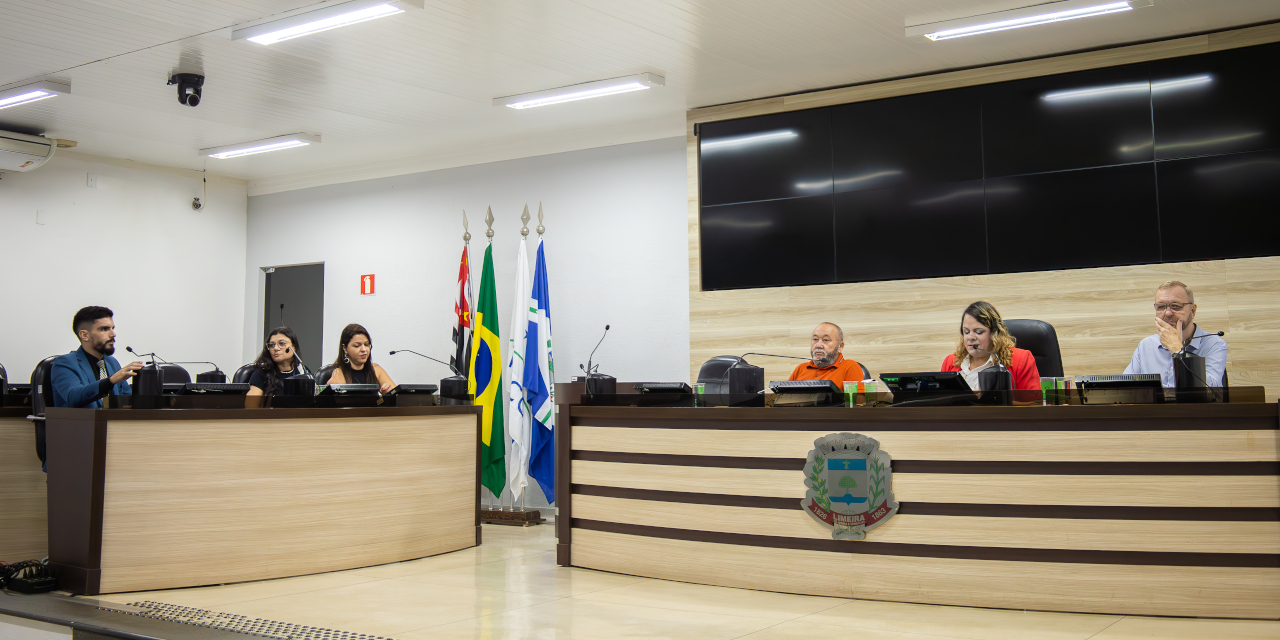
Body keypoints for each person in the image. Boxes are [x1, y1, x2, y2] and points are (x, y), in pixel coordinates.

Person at [1124, 281, 1227, 387]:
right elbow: (1125, 388)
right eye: (1160, 307)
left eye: (1176, 306)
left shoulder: (1215, 344)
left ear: (1193, 310)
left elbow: (1211, 389)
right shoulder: (1146, 345)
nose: (1168, 313)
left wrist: (1178, 350)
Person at [51, 306, 143, 409]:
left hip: (115, 423)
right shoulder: (64, 363)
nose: (113, 334)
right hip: (82, 423)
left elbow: (127, 397)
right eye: (104, 329)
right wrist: (110, 381)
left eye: (112, 328)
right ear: (84, 335)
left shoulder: (111, 362)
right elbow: (73, 397)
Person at [941, 301, 1041, 391]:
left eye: (979, 332)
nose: (970, 337)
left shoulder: (1021, 359)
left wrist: (992, 398)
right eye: (966, 332)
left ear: (994, 334)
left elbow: (1033, 402)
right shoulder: (950, 362)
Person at [788, 322, 866, 383]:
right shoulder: (800, 369)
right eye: (815, 339)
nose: (818, 345)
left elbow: (857, 402)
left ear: (840, 346)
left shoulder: (850, 367)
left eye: (826, 340)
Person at [328, 323, 395, 393]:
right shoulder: (338, 374)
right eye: (357, 346)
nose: (364, 349)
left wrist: (388, 395)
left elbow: (398, 395)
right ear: (345, 348)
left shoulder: (376, 369)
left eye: (366, 344)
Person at [246, 327, 309, 399]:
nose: (275, 348)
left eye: (282, 343)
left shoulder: (303, 371)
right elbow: (251, 407)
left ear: (294, 347)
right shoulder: (261, 374)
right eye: (271, 345)